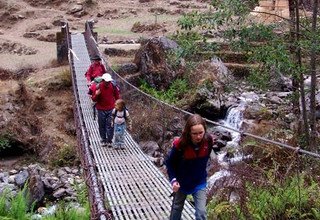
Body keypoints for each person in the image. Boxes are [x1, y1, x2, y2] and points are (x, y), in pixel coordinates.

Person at [166, 114, 219, 220]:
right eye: (194, 133)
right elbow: (170, 163)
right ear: (188, 133)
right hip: (181, 182)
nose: (198, 136)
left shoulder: (208, 141)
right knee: (176, 208)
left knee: (201, 213)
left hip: (199, 182)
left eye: (201, 133)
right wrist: (173, 180)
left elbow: (206, 159)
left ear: (205, 130)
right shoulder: (180, 145)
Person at [91, 73, 120, 147]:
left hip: (111, 108)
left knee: (110, 125)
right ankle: (103, 139)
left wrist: (120, 106)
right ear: (103, 80)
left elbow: (117, 96)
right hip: (101, 109)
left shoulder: (113, 86)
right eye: (107, 81)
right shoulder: (98, 87)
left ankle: (109, 140)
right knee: (102, 125)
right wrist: (97, 94)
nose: (108, 83)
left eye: (109, 81)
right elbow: (94, 99)